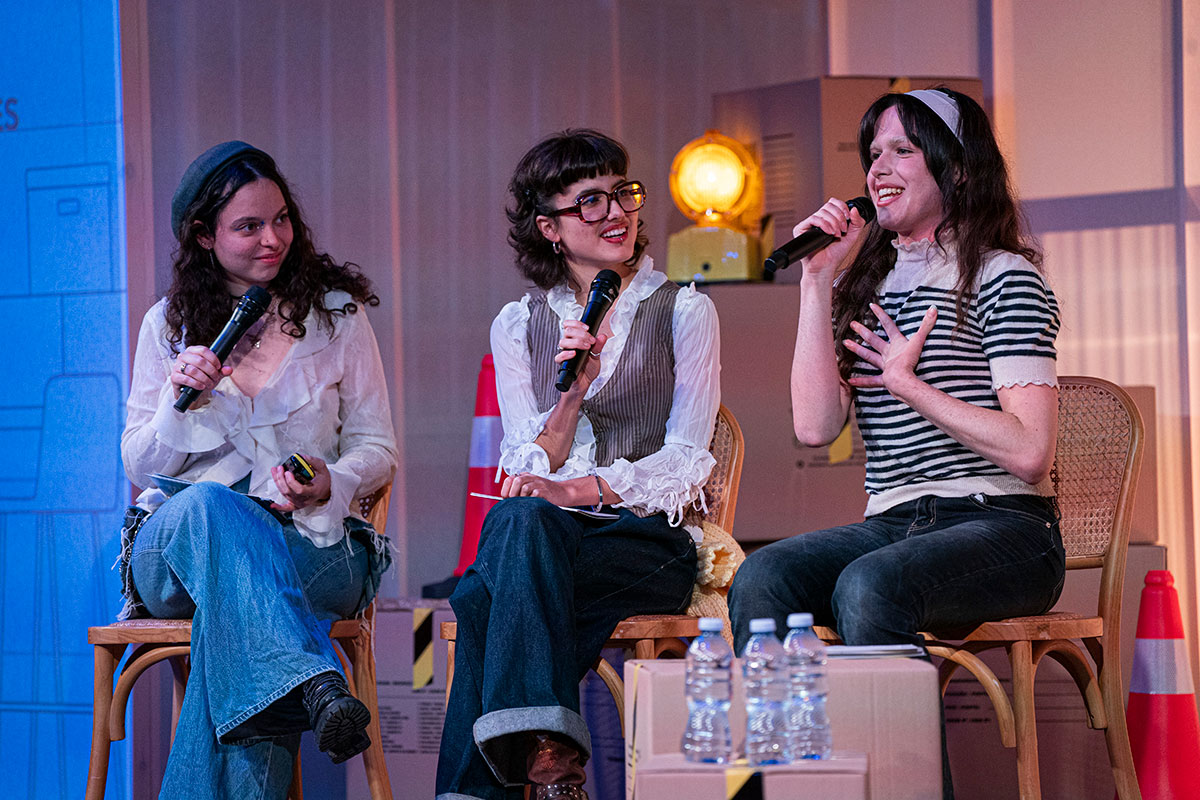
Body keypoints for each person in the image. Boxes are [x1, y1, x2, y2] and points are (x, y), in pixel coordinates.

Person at [728, 87, 1063, 777]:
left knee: (869, 586)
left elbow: (1031, 452)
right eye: (873, 153)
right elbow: (814, 426)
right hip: (895, 519)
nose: (878, 168)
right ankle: (785, 784)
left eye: (902, 151)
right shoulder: (865, 282)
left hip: (1005, 525)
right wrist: (817, 282)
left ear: (957, 168)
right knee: (763, 576)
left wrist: (910, 385)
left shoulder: (1004, 276)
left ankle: (901, 787)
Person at [436, 129, 721, 800]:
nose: (616, 212)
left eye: (623, 193)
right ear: (550, 228)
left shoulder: (683, 310)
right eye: (590, 201)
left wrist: (577, 490)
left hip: (645, 541)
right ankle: (550, 758)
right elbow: (523, 462)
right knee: (522, 528)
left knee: (483, 595)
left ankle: (491, 778)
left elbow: (687, 462)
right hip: (549, 542)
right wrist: (572, 395)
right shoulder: (518, 323)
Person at [118, 141, 397, 798]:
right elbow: (140, 464)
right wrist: (176, 401)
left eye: (281, 219)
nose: (273, 239)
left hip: (308, 542)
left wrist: (331, 480)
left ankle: (296, 681)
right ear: (204, 235)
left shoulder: (336, 315)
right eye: (249, 226)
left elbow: (377, 448)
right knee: (210, 506)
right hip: (179, 552)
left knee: (244, 620)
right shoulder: (167, 325)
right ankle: (313, 678)